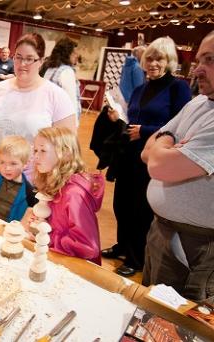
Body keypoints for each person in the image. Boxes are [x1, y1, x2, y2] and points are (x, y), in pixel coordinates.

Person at [102, 37, 191, 277]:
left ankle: (136, 257)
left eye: (159, 58)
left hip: (153, 157)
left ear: (169, 60)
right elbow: (132, 119)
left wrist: (145, 131)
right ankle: (122, 245)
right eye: (149, 58)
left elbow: (180, 126)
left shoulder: (177, 87)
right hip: (130, 154)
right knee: (121, 203)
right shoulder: (141, 88)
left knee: (140, 208)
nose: (153, 63)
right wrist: (118, 119)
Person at [140, 31, 214, 302]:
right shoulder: (198, 103)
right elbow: (149, 150)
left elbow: (159, 165)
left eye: (210, 60)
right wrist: (169, 142)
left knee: (179, 324)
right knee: (150, 310)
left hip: (195, 248)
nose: (198, 69)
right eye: (199, 60)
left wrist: (165, 146)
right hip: (163, 232)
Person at [0, 33, 77, 180]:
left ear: (41, 61)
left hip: (35, 181)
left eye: (29, 59)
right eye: (18, 57)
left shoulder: (57, 96)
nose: (22, 64)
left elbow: (67, 148)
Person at [28, 127, 104, 265]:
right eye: (35, 150)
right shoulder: (53, 182)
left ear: (66, 154)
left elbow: (87, 247)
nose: (36, 156)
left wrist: (48, 237)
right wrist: (41, 222)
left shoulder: (73, 194)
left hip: (76, 270)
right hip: (56, 259)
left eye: (43, 150)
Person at [40, 37, 82, 124]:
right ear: (66, 53)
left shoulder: (49, 68)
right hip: (62, 122)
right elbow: (71, 101)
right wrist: (74, 124)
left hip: (46, 119)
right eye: (74, 52)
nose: (76, 55)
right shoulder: (66, 71)